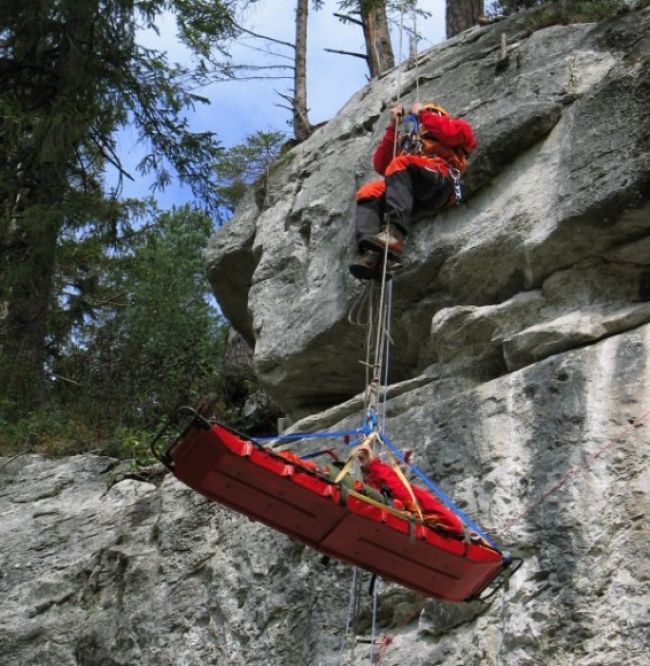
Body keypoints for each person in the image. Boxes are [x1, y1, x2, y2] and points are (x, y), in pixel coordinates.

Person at [349, 102, 478, 280]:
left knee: (401, 163)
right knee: (369, 191)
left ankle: (395, 234)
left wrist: (423, 112)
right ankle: (371, 253)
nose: (423, 122)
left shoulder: (458, 127)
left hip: (441, 179)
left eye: (431, 115)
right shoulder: (412, 142)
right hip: (416, 187)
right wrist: (393, 128)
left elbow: (450, 134)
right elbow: (381, 165)